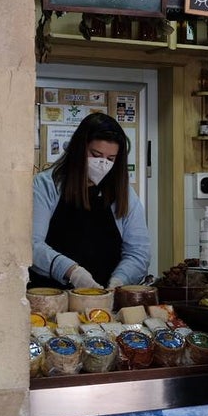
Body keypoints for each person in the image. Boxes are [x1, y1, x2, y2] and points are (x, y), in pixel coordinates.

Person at [30, 112, 151, 290]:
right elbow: (32, 245)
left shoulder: (124, 194)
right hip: (51, 298)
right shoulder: (46, 186)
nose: (102, 164)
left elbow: (138, 252)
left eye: (110, 159)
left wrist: (119, 281)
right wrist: (72, 271)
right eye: (95, 155)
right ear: (79, 149)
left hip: (105, 299)